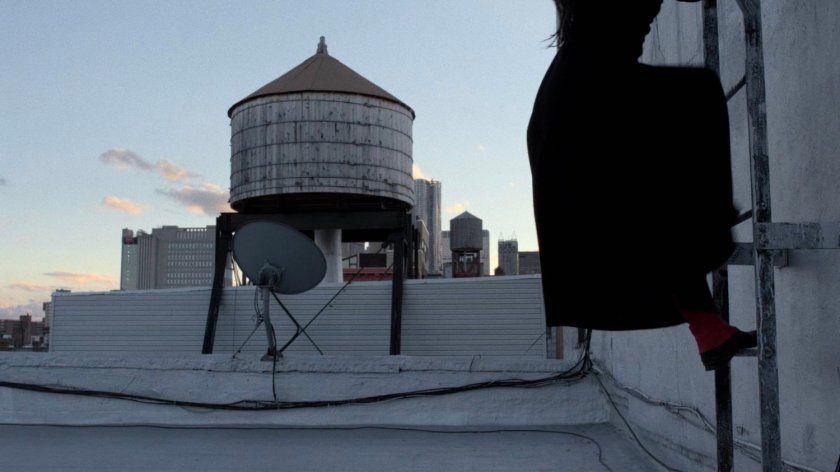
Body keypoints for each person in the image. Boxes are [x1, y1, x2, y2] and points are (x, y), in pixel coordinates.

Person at [526, 0, 756, 371]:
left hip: (581, 102)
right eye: (647, 11)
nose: (651, 19)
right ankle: (708, 231)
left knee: (656, 204)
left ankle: (710, 329)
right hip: (582, 104)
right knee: (696, 97)